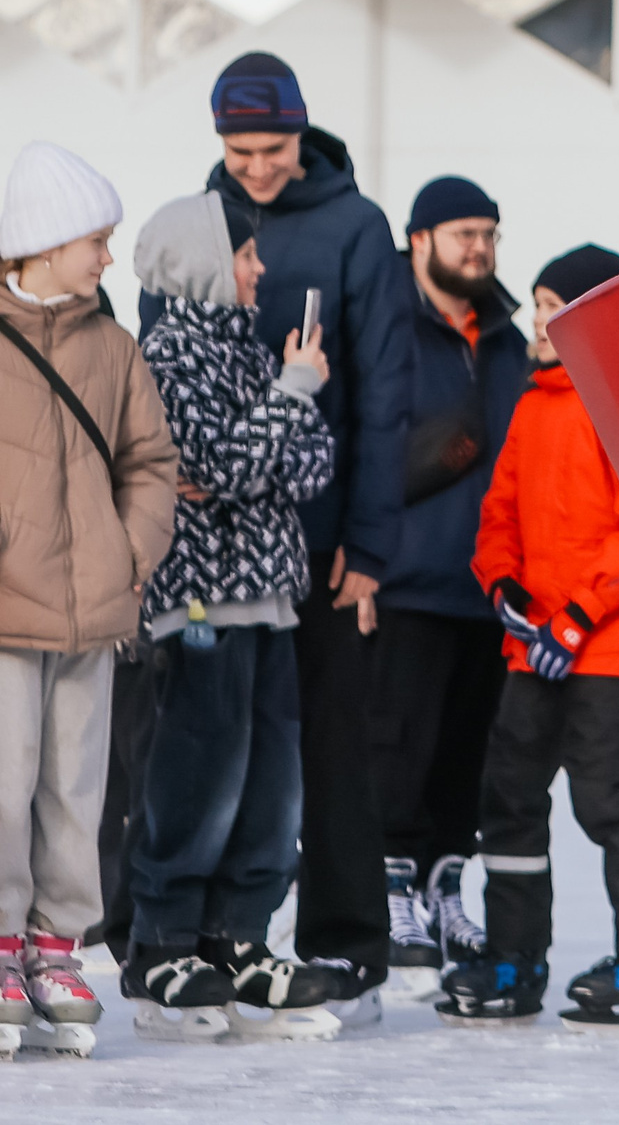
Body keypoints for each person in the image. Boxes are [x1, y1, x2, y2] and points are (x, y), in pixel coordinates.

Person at [142, 51, 414, 1022]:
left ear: (303, 135)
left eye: (273, 147)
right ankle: (199, 939)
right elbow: (159, 392)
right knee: (211, 744)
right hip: (214, 559)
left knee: (324, 743)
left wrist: (370, 543)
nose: (255, 165)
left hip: (322, 538)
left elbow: (384, 398)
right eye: (239, 148)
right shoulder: (197, 226)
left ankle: (344, 943)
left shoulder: (356, 228)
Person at [438, 246, 619, 1029]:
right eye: (541, 304)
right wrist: (505, 587)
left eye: (558, 305)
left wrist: (578, 617)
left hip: (608, 647)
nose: (542, 319)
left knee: (607, 800)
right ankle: (517, 958)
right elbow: (500, 515)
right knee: (510, 799)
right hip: (536, 647)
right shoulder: (534, 403)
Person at [123, 192, 341, 1041]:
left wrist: (271, 424)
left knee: (270, 785)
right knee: (199, 774)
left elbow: (308, 464)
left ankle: (238, 938)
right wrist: (288, 399)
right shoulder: (170, 356)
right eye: (244, 256)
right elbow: (214, 459)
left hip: (270, 599)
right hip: (200, 599)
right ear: (203, 260)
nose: (259, 270)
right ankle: (162, 940)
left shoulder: (251, 354)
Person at [0, 144, 179, 1056]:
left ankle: (54, 945)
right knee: (1, 782)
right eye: (95, 241)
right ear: (41, 242)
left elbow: (151, 464)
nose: (107, 258)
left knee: (77, 788)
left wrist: (128, 554)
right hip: (4, 614)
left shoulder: (113, 349)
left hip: (93, 610)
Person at [373, 177, 528, 987]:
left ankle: (445, 890)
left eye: (489, 234)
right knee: (399, 746)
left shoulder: (505, 336)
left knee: (469, 756)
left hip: (490, 586)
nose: (479, 249)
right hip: (406, 576)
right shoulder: (389, 321)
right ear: (421, 240)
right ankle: (391, 892)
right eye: (464, 233)